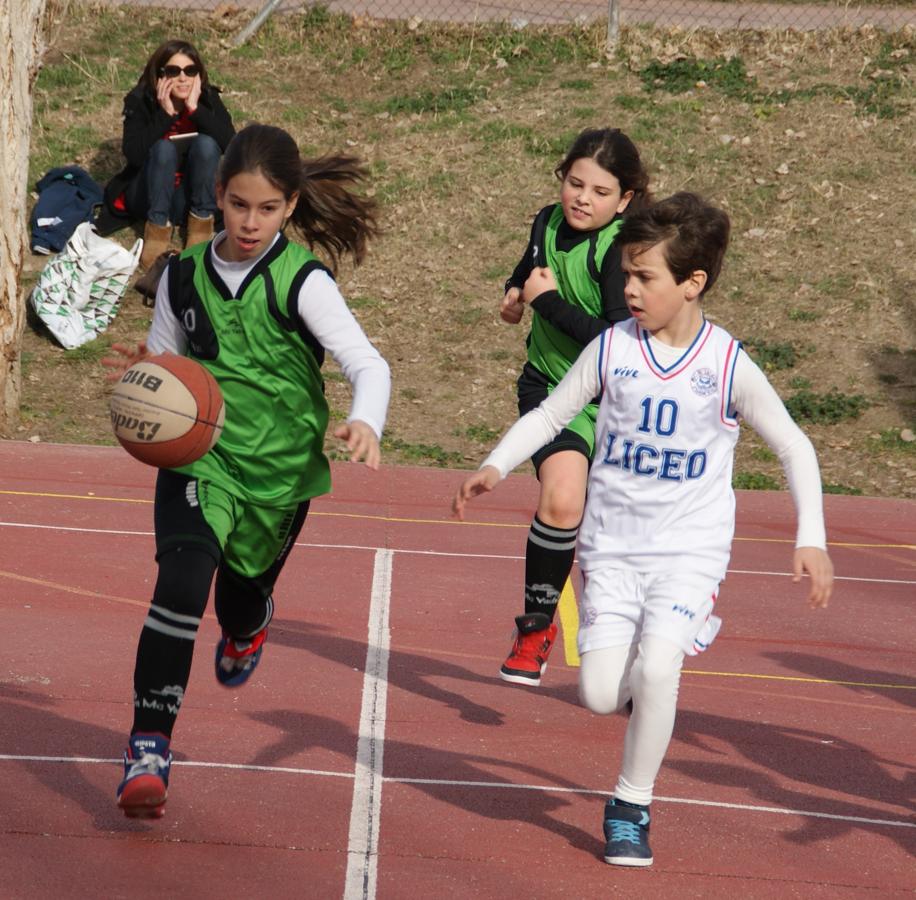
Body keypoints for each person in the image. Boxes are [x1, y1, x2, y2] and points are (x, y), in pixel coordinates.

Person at [453, 192, 833, 867]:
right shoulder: (613, 349)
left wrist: (812, 538)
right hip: (612, 550)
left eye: (644, 276)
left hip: (690, 551)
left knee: (659, 667)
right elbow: (551, 415)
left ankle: (630, 804)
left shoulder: (725, 363)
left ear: (693, 283)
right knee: (601, 694)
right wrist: (496, 464)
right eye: (626, 273)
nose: (629, 288)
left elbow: (794, 445)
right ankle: (643, 683)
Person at [102, 123, 391, 819]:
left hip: (280, 474)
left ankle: (249, 621)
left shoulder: (302, 282)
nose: (250, 222)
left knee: (237, 600)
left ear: (290, 205)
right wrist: (150, 372)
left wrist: (366, 422)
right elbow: (170, 361)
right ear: (217, 195)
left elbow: (368, 364)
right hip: (204, 460)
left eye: (266, 208)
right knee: (180, 584)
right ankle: (148, 746)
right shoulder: (182, 275)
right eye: (237, 205)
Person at [497, 127, 651, 686]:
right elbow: (529, 266)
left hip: (618, 405)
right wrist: (516, 293)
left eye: (600, 192)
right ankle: (536, 628)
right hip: (551, 389)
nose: (583, 199)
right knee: (561, 500)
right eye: (575, 183)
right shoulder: (546, 220)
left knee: (618, 538)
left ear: (625, 200)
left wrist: (548, 303)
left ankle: (636, 657)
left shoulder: (622, 254)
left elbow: (616, 343)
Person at [102, 39, 236, 269]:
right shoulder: (141, 99)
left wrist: (196, 110)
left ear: (198, 75)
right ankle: (157, 230)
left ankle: (201, 225)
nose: (183, 78)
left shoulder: (207, 98)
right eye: (174, 71)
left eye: (190, 71)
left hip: (191, 195)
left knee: (206, 144)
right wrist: (165, 115)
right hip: (149, 194)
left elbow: (232, 145)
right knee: (163, 148)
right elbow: (134, 155)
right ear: (161, 74)